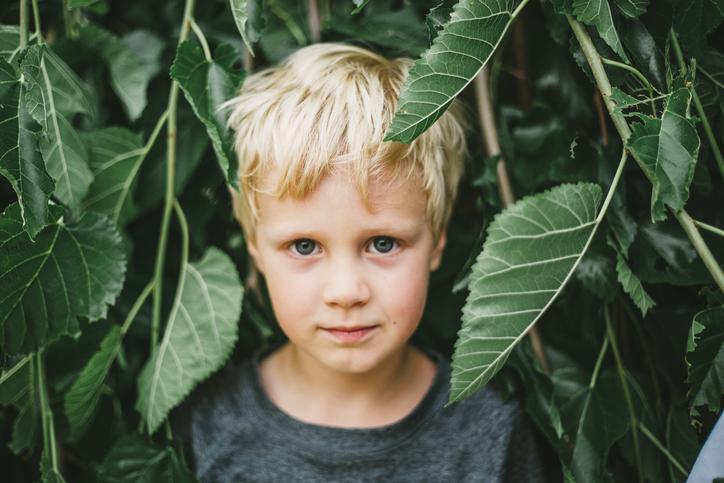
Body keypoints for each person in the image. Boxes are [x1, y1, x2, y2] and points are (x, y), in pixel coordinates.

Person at [175, 43, 543, 482]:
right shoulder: (207, 429)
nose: (346, 292)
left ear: (438, 240)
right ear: (254, 246)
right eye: (304, 246)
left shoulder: (490, 435)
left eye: (383, 244)